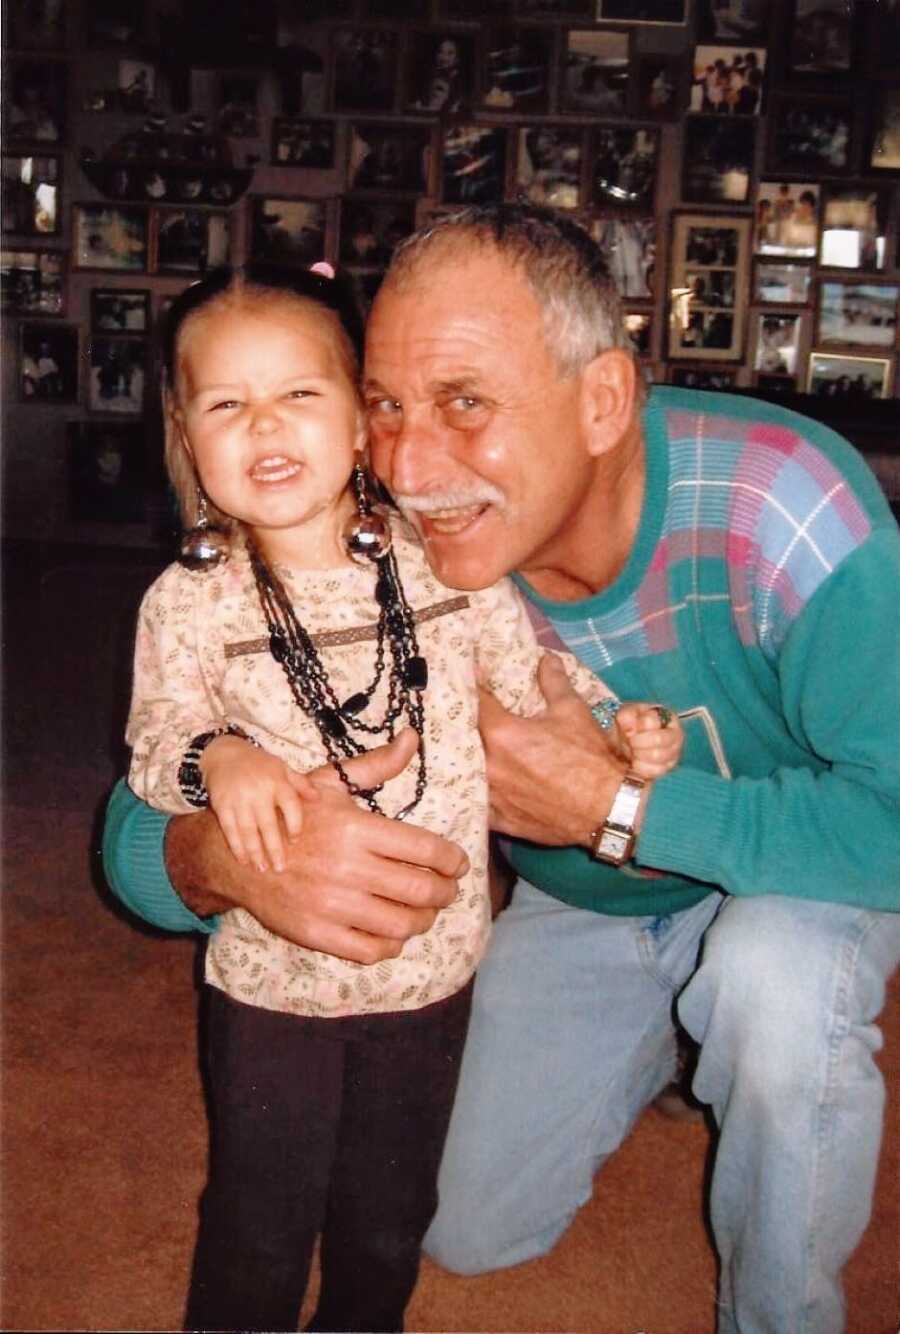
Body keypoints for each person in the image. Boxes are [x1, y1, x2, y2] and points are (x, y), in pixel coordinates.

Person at [103, 204, 900, 1334]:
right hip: (589, 906)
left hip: (790, 874)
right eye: (382, 402)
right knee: (459, 1219)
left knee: (768, 978)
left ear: (603, 401)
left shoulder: (784, 502)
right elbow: (129, 831)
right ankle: (674, 1027)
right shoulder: (399, 550)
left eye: (466, 402)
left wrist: (620, 802)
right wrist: (227, 855)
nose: (413, 462)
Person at [123, 256, 680, 1334]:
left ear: (362, 422)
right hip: (271, 984)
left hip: (435, 970)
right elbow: (153, 744)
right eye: (225, 403)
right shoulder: (186, 602)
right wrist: (217, 759)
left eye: (300, 393)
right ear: (186, 436)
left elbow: (534, 676)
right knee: (258, 1217)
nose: (265, 425)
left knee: (389, 1216)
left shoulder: (439, 564)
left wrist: (624, 728)